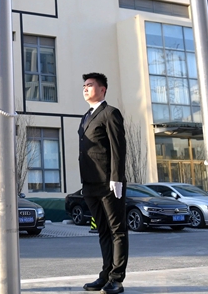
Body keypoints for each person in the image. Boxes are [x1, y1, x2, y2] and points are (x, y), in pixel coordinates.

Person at [78, 73, 127, 294]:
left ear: (102, 89)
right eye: (84, 86)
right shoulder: (86, 116)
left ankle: (117, 279)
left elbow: (118, 148)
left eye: (90, 85)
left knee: (117, 231)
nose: (85, 88)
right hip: (90, 184)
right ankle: (105, 275)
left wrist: (116, 178)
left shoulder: (110, 113)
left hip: (108, 183)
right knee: (103, 231)